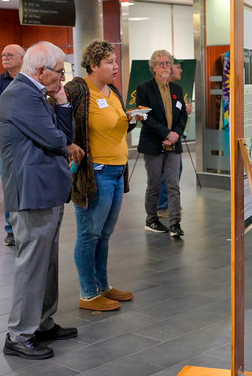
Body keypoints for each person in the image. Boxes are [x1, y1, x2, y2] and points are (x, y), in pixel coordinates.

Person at [0, 41, 85, 360]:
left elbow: (65, 135)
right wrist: (61, 112)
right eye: (60, 72)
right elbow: (57, 139)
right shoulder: (21, 94)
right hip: (30, 192)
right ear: (41, 70)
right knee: (32, 264)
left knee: (46, 262)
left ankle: (42, 323)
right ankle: (19, 333)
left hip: (46, 189)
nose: (62, 78)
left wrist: (61, 102)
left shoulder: (37, 94)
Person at [64, 40, 139, 311]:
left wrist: (131, 120)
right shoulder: (77, 90)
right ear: (94, 65)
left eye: (115, 61)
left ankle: (102, 286)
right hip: (95, 173)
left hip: (118, 172)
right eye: (110, 62)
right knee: (89, 234)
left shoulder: (113, 91)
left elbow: (113, 128)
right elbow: (54, 117)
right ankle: (88, 294)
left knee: (104, 234)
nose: (116, 66)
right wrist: (67, 145)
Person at [136, 50, 188, 237]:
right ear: (153, 68)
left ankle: (175, 223)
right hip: (153, 144)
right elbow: (144, 117)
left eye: (168, 63)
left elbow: (182, 115)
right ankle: (151, 219)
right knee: (155, 184)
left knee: (173, 184)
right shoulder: (144, 89)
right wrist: (166, 133)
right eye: (161, 64)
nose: (166, 66)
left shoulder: (177, 90)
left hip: (173, 144)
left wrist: (176, 134)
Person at [0, 44, 25, 247]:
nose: (5, 58)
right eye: (3, 55)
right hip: (6, 142)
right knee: (9, 185)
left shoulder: (32, 79)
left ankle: (25, 226)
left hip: (29, 141)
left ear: (22, 57)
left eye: (9, 55)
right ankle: (11, 230)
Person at [157, 60, 193, 218]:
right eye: (178, 67)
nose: (181, 70)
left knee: (175, 171)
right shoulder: (157, 90)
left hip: (174, 140)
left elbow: (178, 116)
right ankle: (162, 206)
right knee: (166, 173)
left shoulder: (176, 90)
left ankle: (167, 204)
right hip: (162, 140)